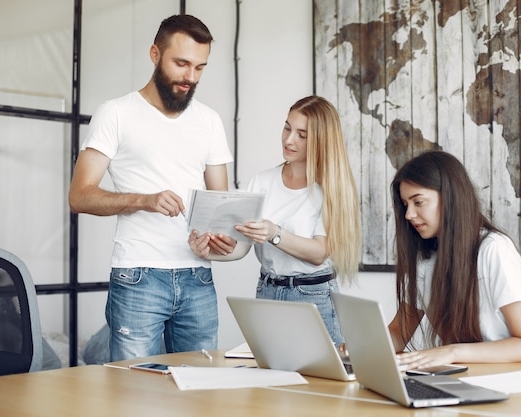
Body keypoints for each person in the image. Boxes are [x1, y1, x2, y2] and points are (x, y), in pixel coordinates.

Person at [68, 14, 236, 361]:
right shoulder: (115, 113)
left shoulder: (209, 121)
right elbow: (80, 195)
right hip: (138, 276)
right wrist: (143, 199)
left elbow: (220, 205)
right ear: (154, 54)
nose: (190, 77)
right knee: (134, 392)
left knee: (203, 390)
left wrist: (216, 238)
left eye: (200, 68)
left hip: (198, 276)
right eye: (182, 63)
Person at [388, 150, 521, 369]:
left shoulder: (494, 249)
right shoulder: (426, 259)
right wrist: (365, 347)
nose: (409, 215)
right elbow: (399, 331)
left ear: (450, 198)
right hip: (471, 373)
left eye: (419, 202)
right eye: (406, 205)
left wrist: (452, 351)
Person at [233, 95, 362, 344]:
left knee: (321, 382)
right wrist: (210, 247)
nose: (289, 140)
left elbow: (319, 253)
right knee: (269, 378)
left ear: (321, 141)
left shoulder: (332, 187)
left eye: (302, 135)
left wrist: (274, 233)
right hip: (267, 291)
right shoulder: (261, 181)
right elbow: (240, 247)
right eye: (287, 127)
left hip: (313, 296)